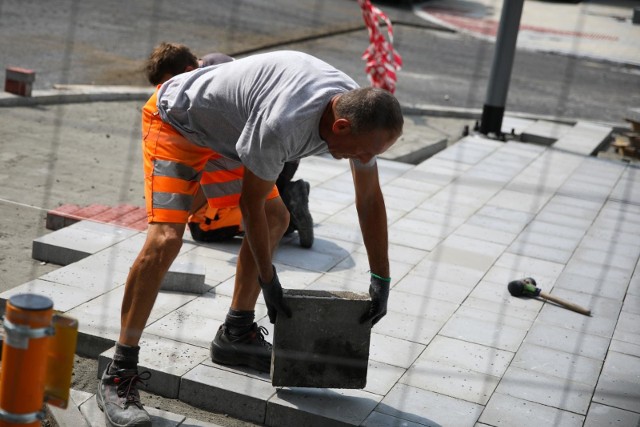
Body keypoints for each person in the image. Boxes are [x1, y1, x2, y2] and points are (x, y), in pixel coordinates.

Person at [97, 49, 403, 427]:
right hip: (178, 120)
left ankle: (236, 333)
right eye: (365, 153)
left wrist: (381, 278)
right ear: (341, 127)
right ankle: (119, 372)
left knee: (278, 217)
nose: (364, 159)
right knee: (166, 239)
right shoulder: (284, 123)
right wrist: (268, 280)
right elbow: (250, 205)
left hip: (229, 135)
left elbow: (370, 199)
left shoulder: (358, 111)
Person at [145, 42, 314, 247]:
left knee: (202, 228)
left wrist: (171, 220)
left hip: (269, 156)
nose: (167, 96)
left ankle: (288, 206)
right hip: (283, 150)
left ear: (187, 71)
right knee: (248, 201)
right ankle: (283, 196)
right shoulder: (216, 63)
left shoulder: (200, 100)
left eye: (170, 85)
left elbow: (201, 171)